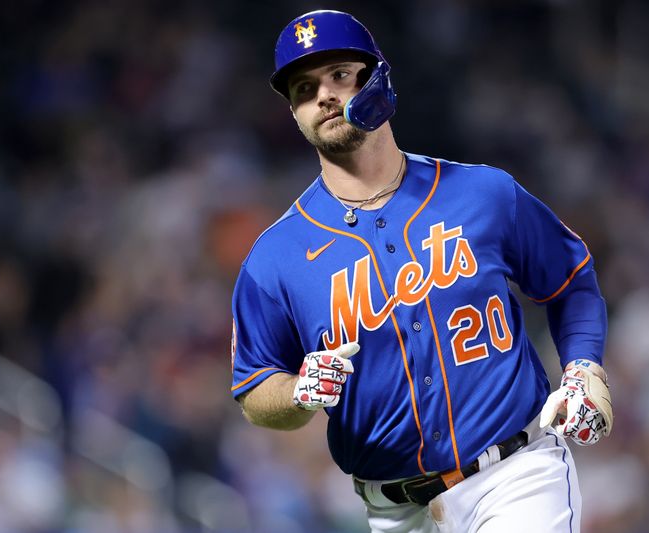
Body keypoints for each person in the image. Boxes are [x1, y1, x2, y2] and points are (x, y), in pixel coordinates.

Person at [230, 9, 613, 533]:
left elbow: (573, 282)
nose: (323, 95)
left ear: (379, 80)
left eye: (340, 75)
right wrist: (297, 391)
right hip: (392, 511)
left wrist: (583, 368)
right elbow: (254, 390)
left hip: (515, 475)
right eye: (303, 88)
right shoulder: (274, 259)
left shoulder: (483, 194)